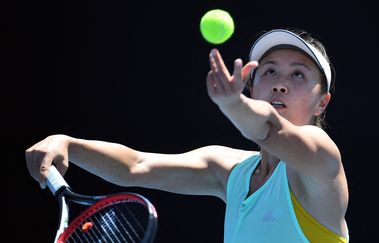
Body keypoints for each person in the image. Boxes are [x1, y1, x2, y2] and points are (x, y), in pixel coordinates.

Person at [26, 28, 349, 243]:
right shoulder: (231, 172)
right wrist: (67, 143)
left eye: (298, 74)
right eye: (270, 71)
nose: (280, 83)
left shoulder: (322, 159)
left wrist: (233, 104)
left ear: (322, 103)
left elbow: (266, 128)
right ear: (253, 87)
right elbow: (135, 166)